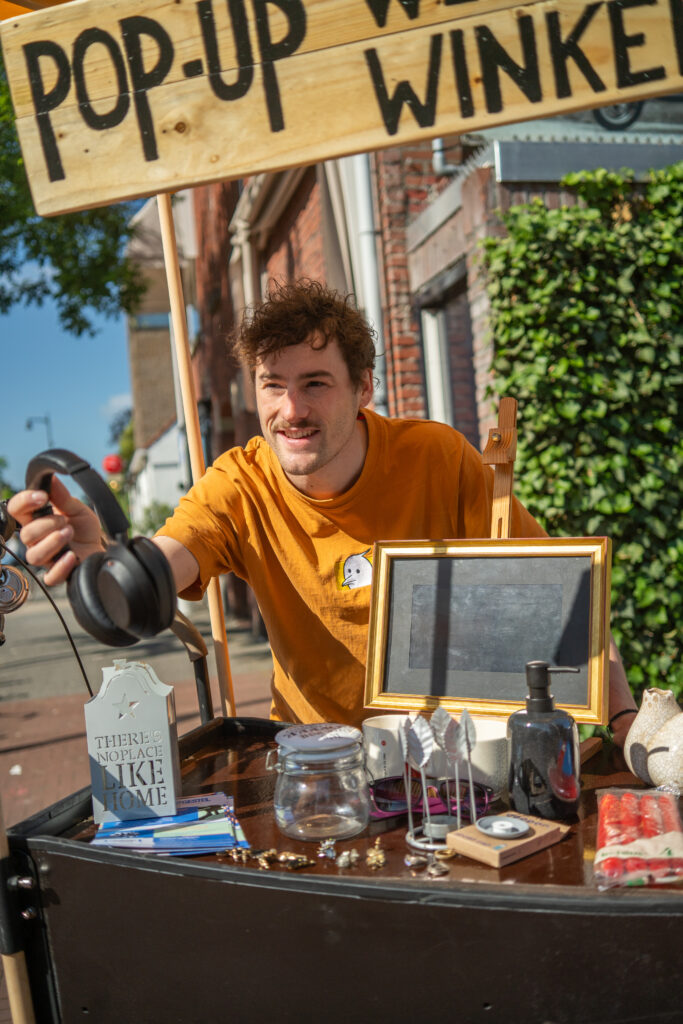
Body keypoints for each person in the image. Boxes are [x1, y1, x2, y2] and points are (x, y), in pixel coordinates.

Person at [8, 280, 636, 744]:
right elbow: (157, 570)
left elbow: (564, 602)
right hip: (318, 761)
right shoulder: (238, 485)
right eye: (272, 385)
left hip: (451, 760)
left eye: (315, 383)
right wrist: (102, 564)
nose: (291, 410)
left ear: (364, 387)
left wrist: (627, 723)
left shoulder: (437, 458)